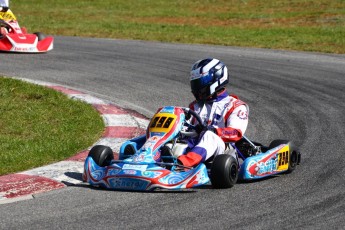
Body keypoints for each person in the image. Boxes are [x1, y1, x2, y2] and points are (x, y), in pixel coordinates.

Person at [177, 58, 249, 167]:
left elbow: (236, 133)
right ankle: (149, 158)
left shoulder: (235, 106)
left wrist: (215, 131)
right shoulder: (195, 105)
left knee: (209, 136)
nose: (197, 87)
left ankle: (182, 165)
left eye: (200, 82)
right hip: (194, 144)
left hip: (223, 152)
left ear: (217, 80)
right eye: (195, 83)